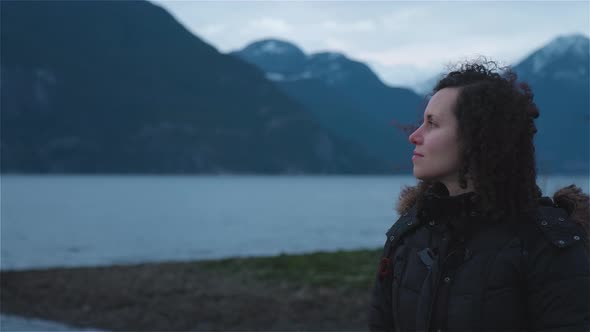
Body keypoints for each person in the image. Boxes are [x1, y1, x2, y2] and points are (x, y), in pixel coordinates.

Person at [369, 59, 590, 332]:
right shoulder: (407, 234)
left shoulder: (547, 245)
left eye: (433, 124)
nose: (414, 136)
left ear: (479, 138)